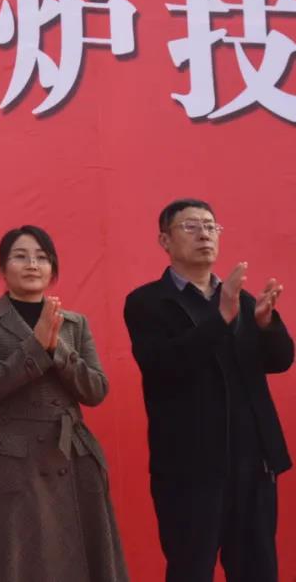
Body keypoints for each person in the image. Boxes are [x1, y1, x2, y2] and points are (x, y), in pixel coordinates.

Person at [123, 198, 292, 582]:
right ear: (164, 240)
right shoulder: (147, 302)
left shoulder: (241, 299)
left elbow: (280, 361)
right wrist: (220, 319)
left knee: (258, 570)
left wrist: (267, 325)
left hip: (253, 463)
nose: (204, 234)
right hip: (190, 467)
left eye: (211, 226)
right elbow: (163, 365)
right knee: (191, 569)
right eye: (191, 226)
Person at [0, 225, 127, 582]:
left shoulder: (75, 324)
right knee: (14, 564)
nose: (32, 264)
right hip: (12, 463)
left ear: (53, 269)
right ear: (2, 269)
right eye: (20, 256)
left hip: (72, 458)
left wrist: (57, 349)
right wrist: (34, 347)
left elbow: (96, 390)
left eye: (41, 257)